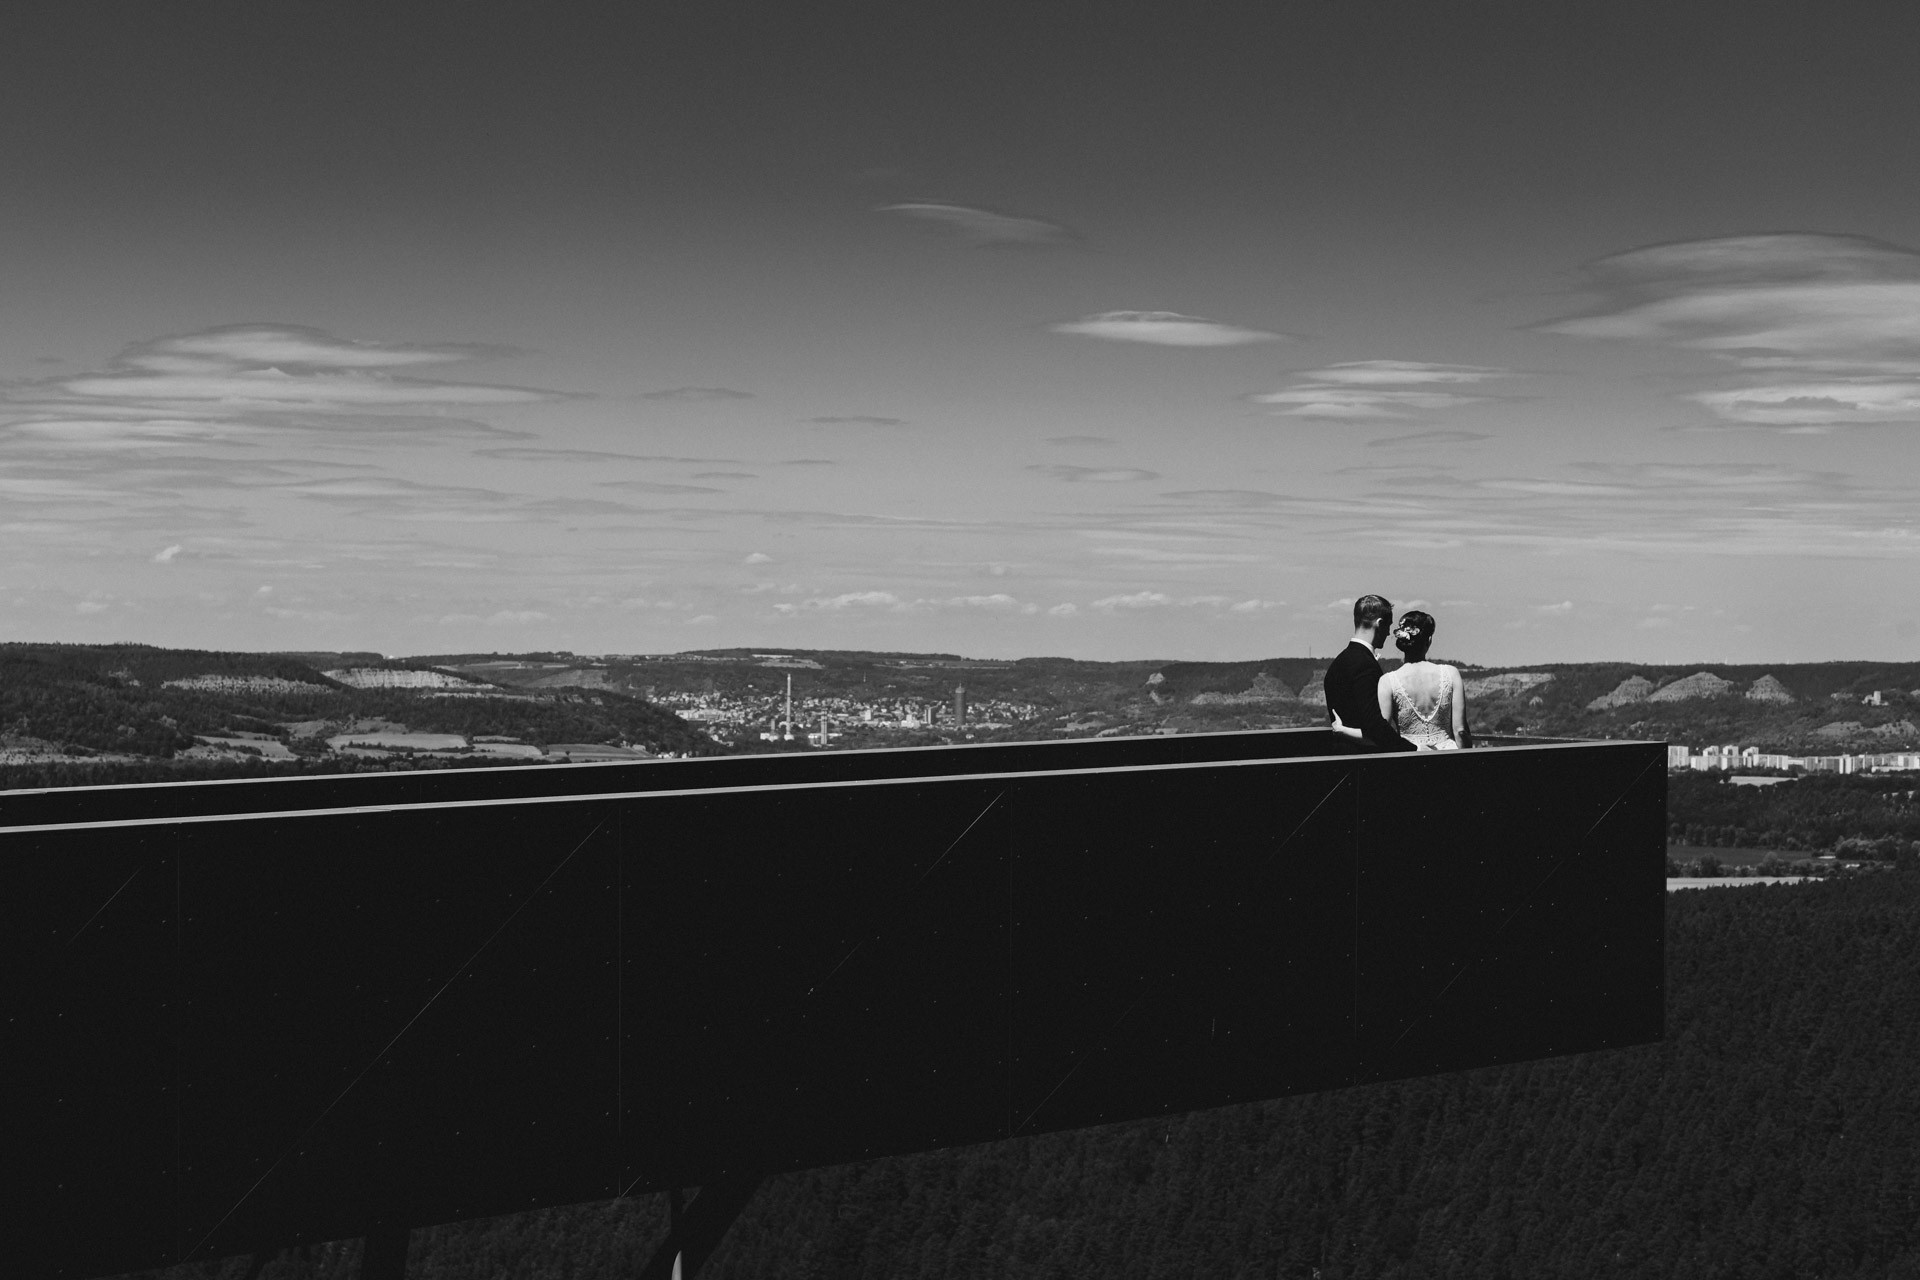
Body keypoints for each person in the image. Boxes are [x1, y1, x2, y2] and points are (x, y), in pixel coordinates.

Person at [1329, 609, 1469, 751]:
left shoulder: (1388, 681)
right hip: (1449, 757)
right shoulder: (1451, 674)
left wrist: (1342, 729)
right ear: (1429, 639)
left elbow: (1380, 734)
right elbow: (1461, 731)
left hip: (1411, 759)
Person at [1321, 595, 1418, 752]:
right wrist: (1414, 749)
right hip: (1364, 761)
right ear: (1379, 624)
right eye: (1388, 626)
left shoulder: (1339, 662)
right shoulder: (1364, 665)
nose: (1388, 634)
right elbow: (1375, 727)